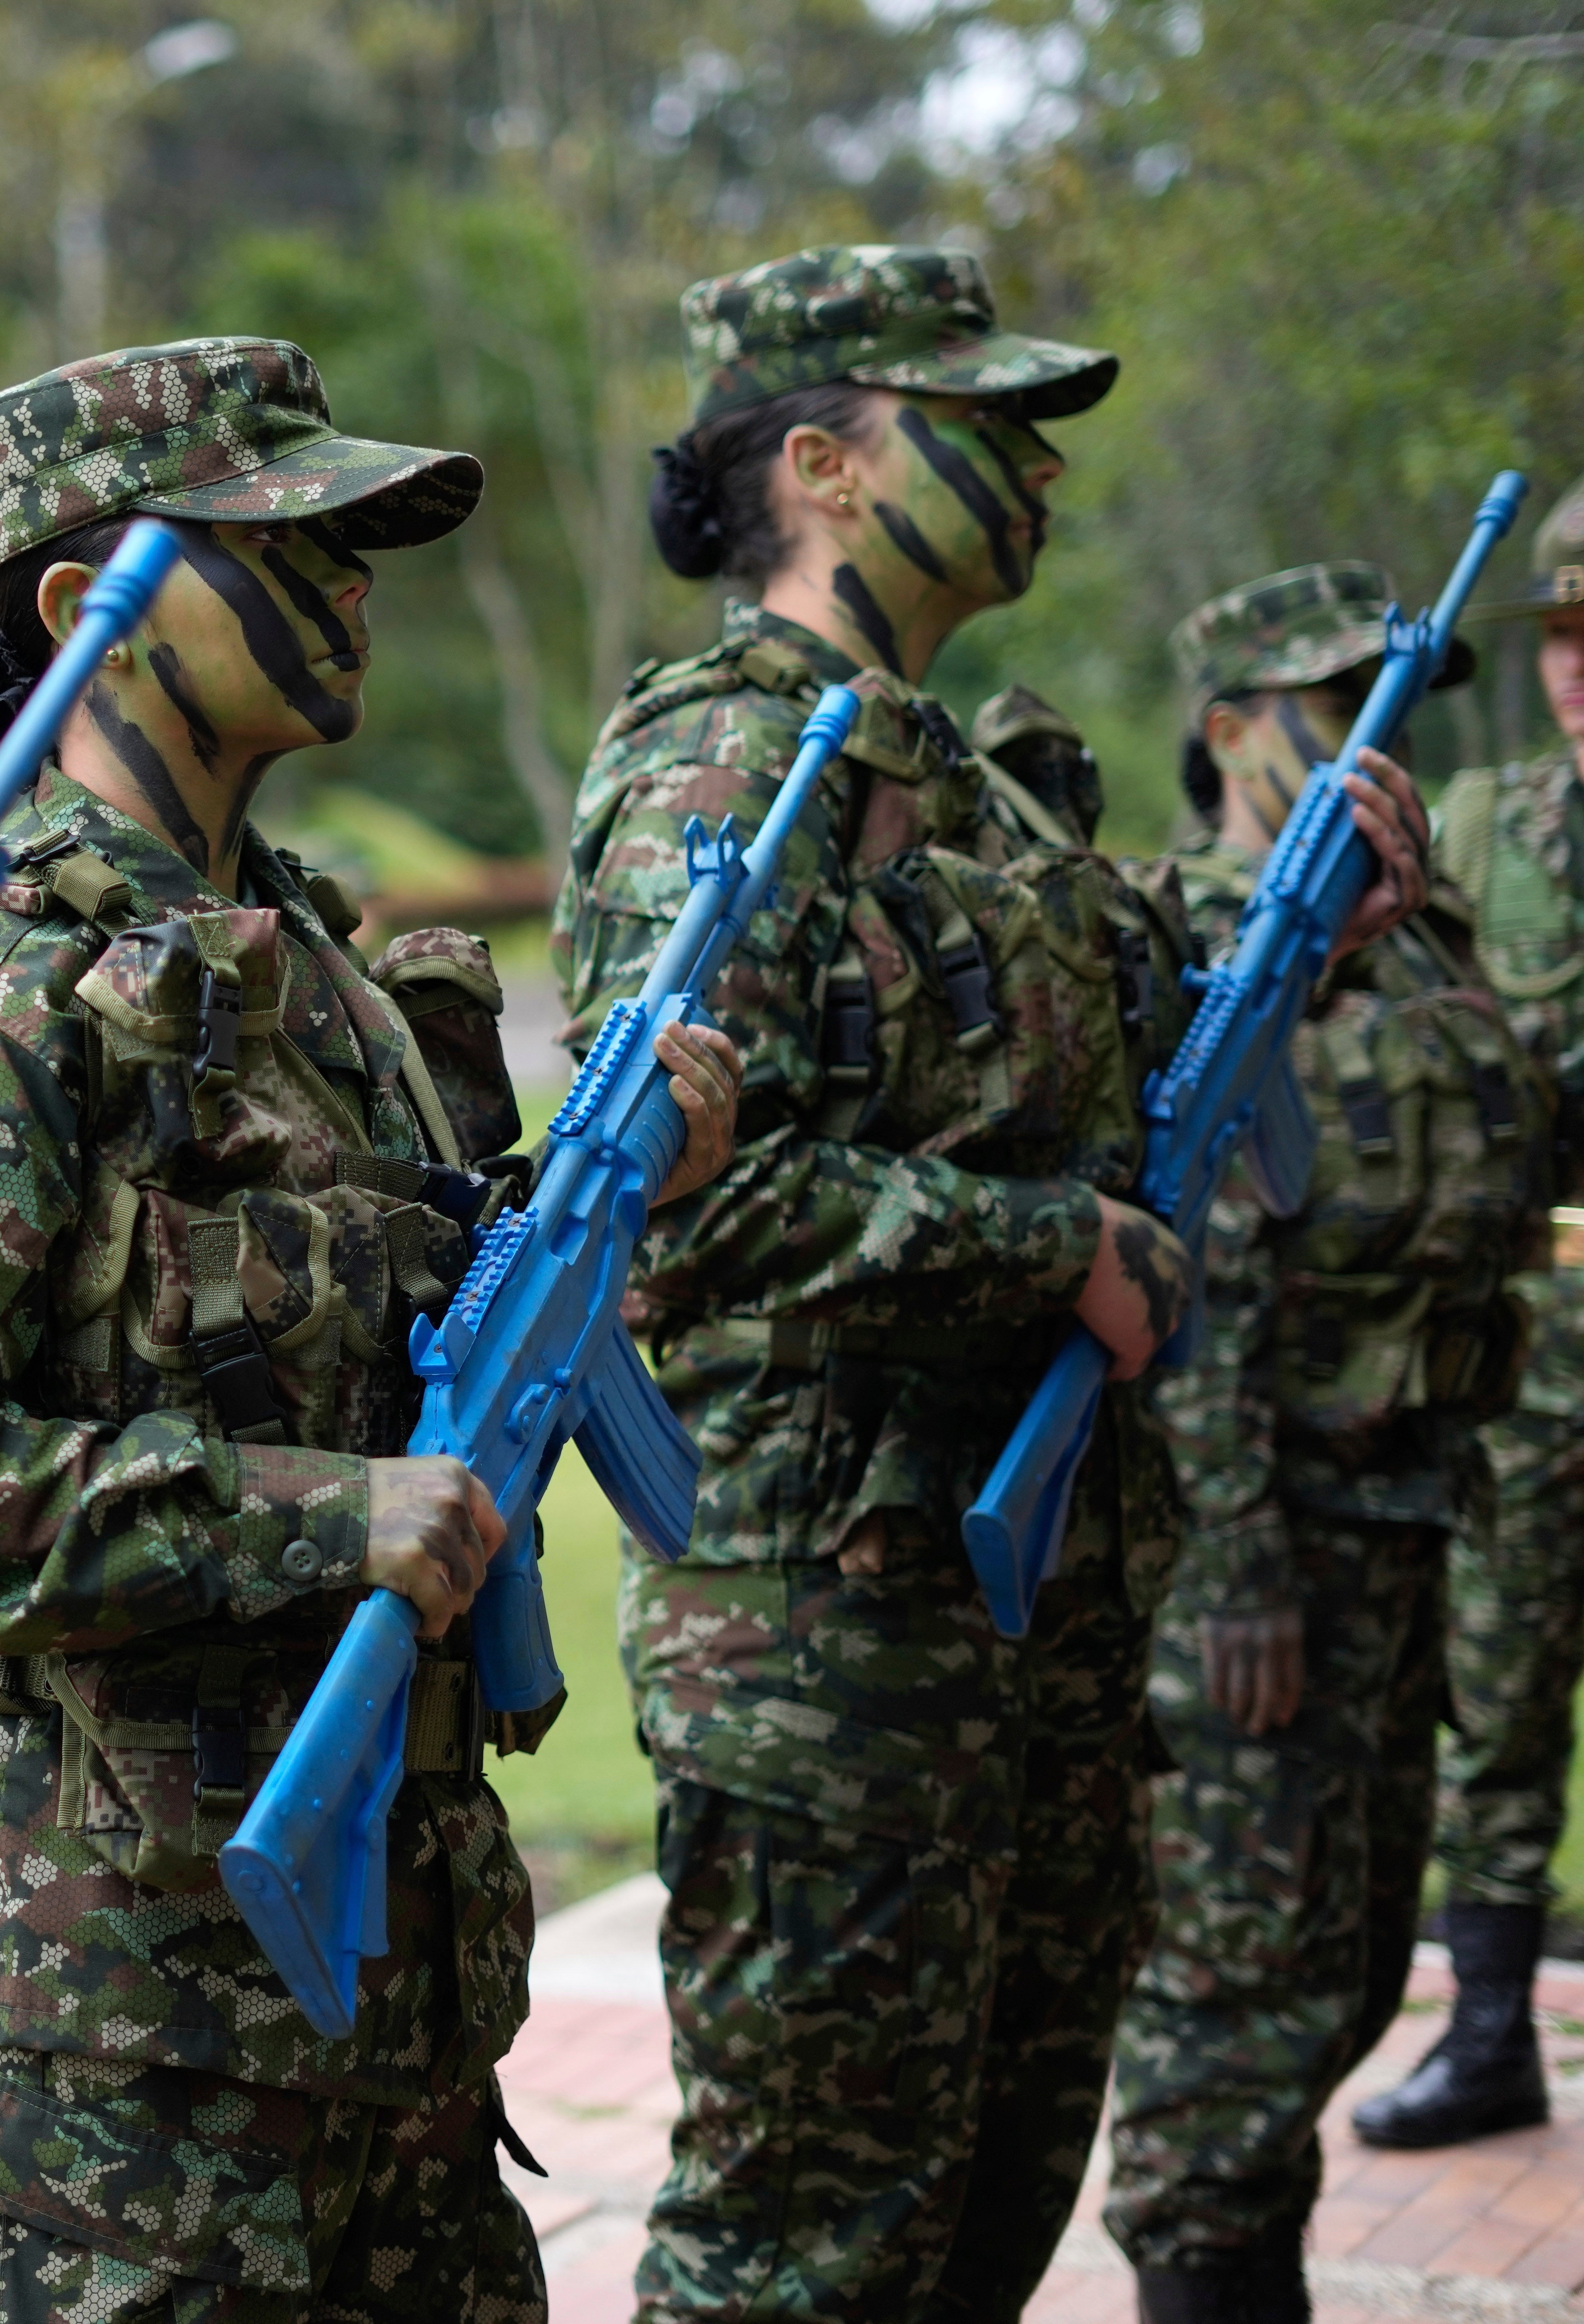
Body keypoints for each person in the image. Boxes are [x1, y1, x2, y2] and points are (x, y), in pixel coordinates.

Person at [0, 336, 744, 2324]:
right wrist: (312, 1518)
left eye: (353, 546)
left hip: (391, 2017)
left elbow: (393, 1340)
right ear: (85, 612)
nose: (352, 585)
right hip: (118, 2087)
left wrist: (624, 1184)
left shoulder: (320, 981)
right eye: (289, 546)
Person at [558, 245, 1431, 2322]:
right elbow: (663, 1208)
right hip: (825, 1653)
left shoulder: (968, 783)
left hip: (1025, 1622)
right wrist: (1060, 1250)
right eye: (984, 426)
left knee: (985, 2224)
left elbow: (1100, 1077)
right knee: (805, 2256)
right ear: (825, 466)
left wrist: (1307, 941)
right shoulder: (728, 771)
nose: (1040, 467)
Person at [1102, 564, 1541, 2318]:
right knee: (1232, 2018)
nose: (1380, 741)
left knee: (1349, 1974)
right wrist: (1232, 1558)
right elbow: (1187, 1264)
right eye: (1336, 704)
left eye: (1396, 704)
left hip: (1406, 1522)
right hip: (1263, 1544)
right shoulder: (1186, 940)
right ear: (1229, 733)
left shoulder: (1419, 929)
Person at [1358, 476, 1584, 2152]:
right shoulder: (1488, 825)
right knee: (1497, 1690)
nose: (1575, 666)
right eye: (1563, 636)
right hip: (1537, 1335)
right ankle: (1494, 2031)